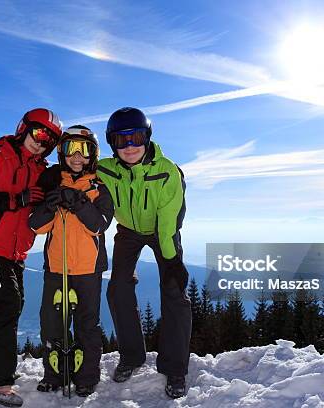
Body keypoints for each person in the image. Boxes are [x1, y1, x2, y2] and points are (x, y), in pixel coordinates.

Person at [0, 108, 62, 407]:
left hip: (17, 248)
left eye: (50, 141)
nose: (42, 143)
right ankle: (0, 382)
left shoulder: (40, 169)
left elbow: (39, 206)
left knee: (7, 307)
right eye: (39, 133)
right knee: (7, 305)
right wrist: (14, 199)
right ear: (24, 128)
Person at [96, 107, 192, 399]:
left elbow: (168, 221)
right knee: (118, 288)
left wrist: (173, 260)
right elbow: (73, 167)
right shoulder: (105, 169)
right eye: (120, 140)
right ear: (112, 143)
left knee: (175, 290)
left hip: (162, 231)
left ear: (148, 136)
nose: (129, 146)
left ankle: (174, 368)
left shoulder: (167, 171)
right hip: (127, 232)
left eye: (136, 137)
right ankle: (132, 356)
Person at [29, 125, 113, 398]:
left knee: (87, 325)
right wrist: (49, 205)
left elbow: (99, 225)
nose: (77, 156)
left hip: (88, 269)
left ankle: (86, 376)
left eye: (84, 149)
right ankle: (54, 374)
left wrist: (78, 202)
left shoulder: (99, 188)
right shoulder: (52, 184)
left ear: (93, 154)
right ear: (61, 153)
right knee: (52, 323)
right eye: (70, 149)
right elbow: (36, 226)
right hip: (56, 267)